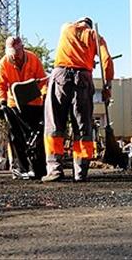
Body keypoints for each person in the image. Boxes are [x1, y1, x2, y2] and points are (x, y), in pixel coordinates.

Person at [42, 17, 114, 183]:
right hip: (83, 78)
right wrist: (107, 86)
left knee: (55, 124)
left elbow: (72, 47)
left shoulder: (66, 28)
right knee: (83, 127)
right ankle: (80, 173)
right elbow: (107, 61)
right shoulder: (95, 36)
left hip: (61, 75)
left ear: (79, 22)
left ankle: (54, 170)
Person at [0, 36, 48, 179]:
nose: (15, 55)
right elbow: (0, 85)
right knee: (16, 137)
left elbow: (43, 81)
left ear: (22, 48)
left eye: (17, 51)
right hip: (14, 105)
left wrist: (44, 96)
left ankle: (39, 168)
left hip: (34, 104)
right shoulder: (4, 62)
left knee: (36, 137)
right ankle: (22, 168)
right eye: (12, 52)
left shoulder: (33, 59)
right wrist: (2, 101)